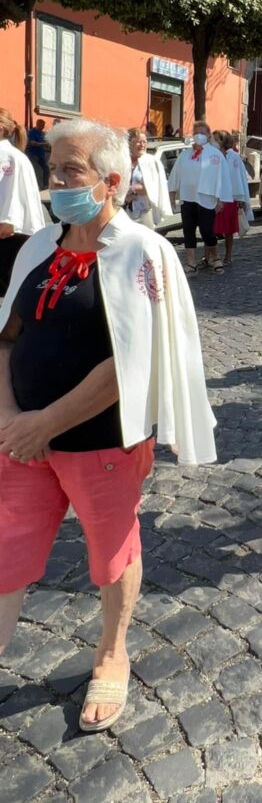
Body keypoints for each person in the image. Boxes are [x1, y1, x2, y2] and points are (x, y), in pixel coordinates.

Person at [0, 119, 215, 733]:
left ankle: (112, 651)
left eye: (72, 170)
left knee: (111, 552)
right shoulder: (38, 246)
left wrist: (47, 421)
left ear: (112, 182)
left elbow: (132, 361)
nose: (56, 180)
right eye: (54, 167)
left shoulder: (144, 251)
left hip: (101, 444)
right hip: (19, 441)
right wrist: (11, 418)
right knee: (6, 551)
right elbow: (6, 337)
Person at [168, 121, 233, 276]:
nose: (199, 135)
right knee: (188, 230)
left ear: (208, 135)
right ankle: (191, 262)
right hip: (187, 197)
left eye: (202, 133)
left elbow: (222, 177)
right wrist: (172, 196)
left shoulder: (215, 154)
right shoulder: (185, 155)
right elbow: (175, 175)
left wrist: (221, 199)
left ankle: (215, 257)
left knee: (207, 230)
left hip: (206, 197)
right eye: (196, 132)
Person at [0, 110, 46, 294]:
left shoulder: (6, 156)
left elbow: (10, 194)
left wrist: (8, 220)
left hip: (7, 231)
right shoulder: (15, 155)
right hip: (16, 230)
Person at [213, 131, 253, 265]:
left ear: (223, 141)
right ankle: (210, 256)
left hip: (230, 198)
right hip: (214, 197)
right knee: (210, 228)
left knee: (228, 230)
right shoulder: (212, 156)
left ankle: (228, 255)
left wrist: (241, 197)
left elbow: (239, 177)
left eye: (216, 139)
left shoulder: (234, 157)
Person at [124, 128, 172, 230]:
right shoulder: (123, 161)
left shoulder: (151, 162)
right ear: (129, 143)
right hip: (125, 212)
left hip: (144, 213)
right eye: (138, 142)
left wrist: (133, 188)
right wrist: (125, 197)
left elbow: (152, 188)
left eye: (144, 142)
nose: (142, 145)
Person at [26, 118, 50, 189]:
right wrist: (44, 144)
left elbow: (44, 141)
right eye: (41, 126)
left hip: (41, 155)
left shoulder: (42, 133)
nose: (42, 127)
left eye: (43, 126)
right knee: (35, 171)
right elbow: (33, 143)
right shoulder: (31, 132)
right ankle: (34, 187)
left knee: (46, 169)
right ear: (37, 124)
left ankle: (45, 186)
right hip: (33, 155)